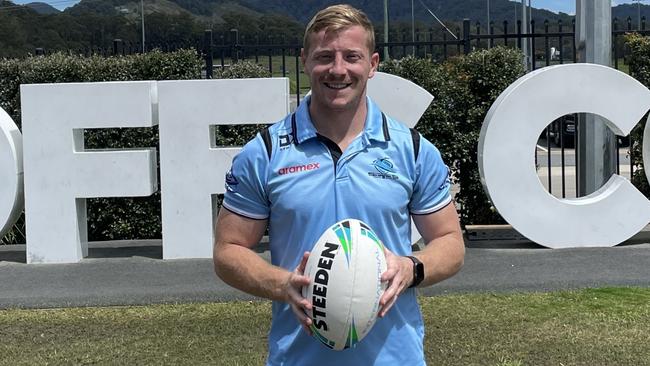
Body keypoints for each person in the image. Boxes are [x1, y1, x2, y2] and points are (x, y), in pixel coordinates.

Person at [213, 4, 465, 365]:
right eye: (325, 57)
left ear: (373, 64)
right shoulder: (265, 152)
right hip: (298, 358)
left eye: (352, 56)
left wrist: (412, 267)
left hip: (396, 358)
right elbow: (228, 251)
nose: (338, 69)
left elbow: (450, 242)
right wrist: (283, 284)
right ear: (304, 61)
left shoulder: (411, 149)